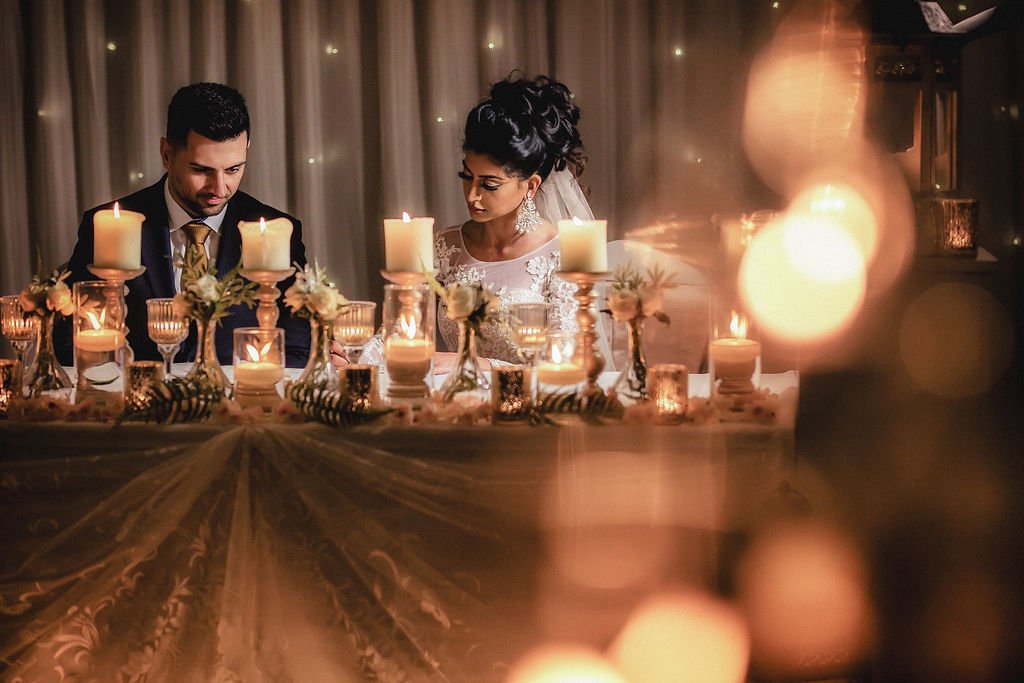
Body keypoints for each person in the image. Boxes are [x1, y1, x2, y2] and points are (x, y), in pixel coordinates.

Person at [56, 82, 311, 367]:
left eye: (233, 169)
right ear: (167, 154)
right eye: (201, 170)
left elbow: (298, 352)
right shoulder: (104, 226)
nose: (220, 187)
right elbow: (70, 343)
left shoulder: (280, 231)